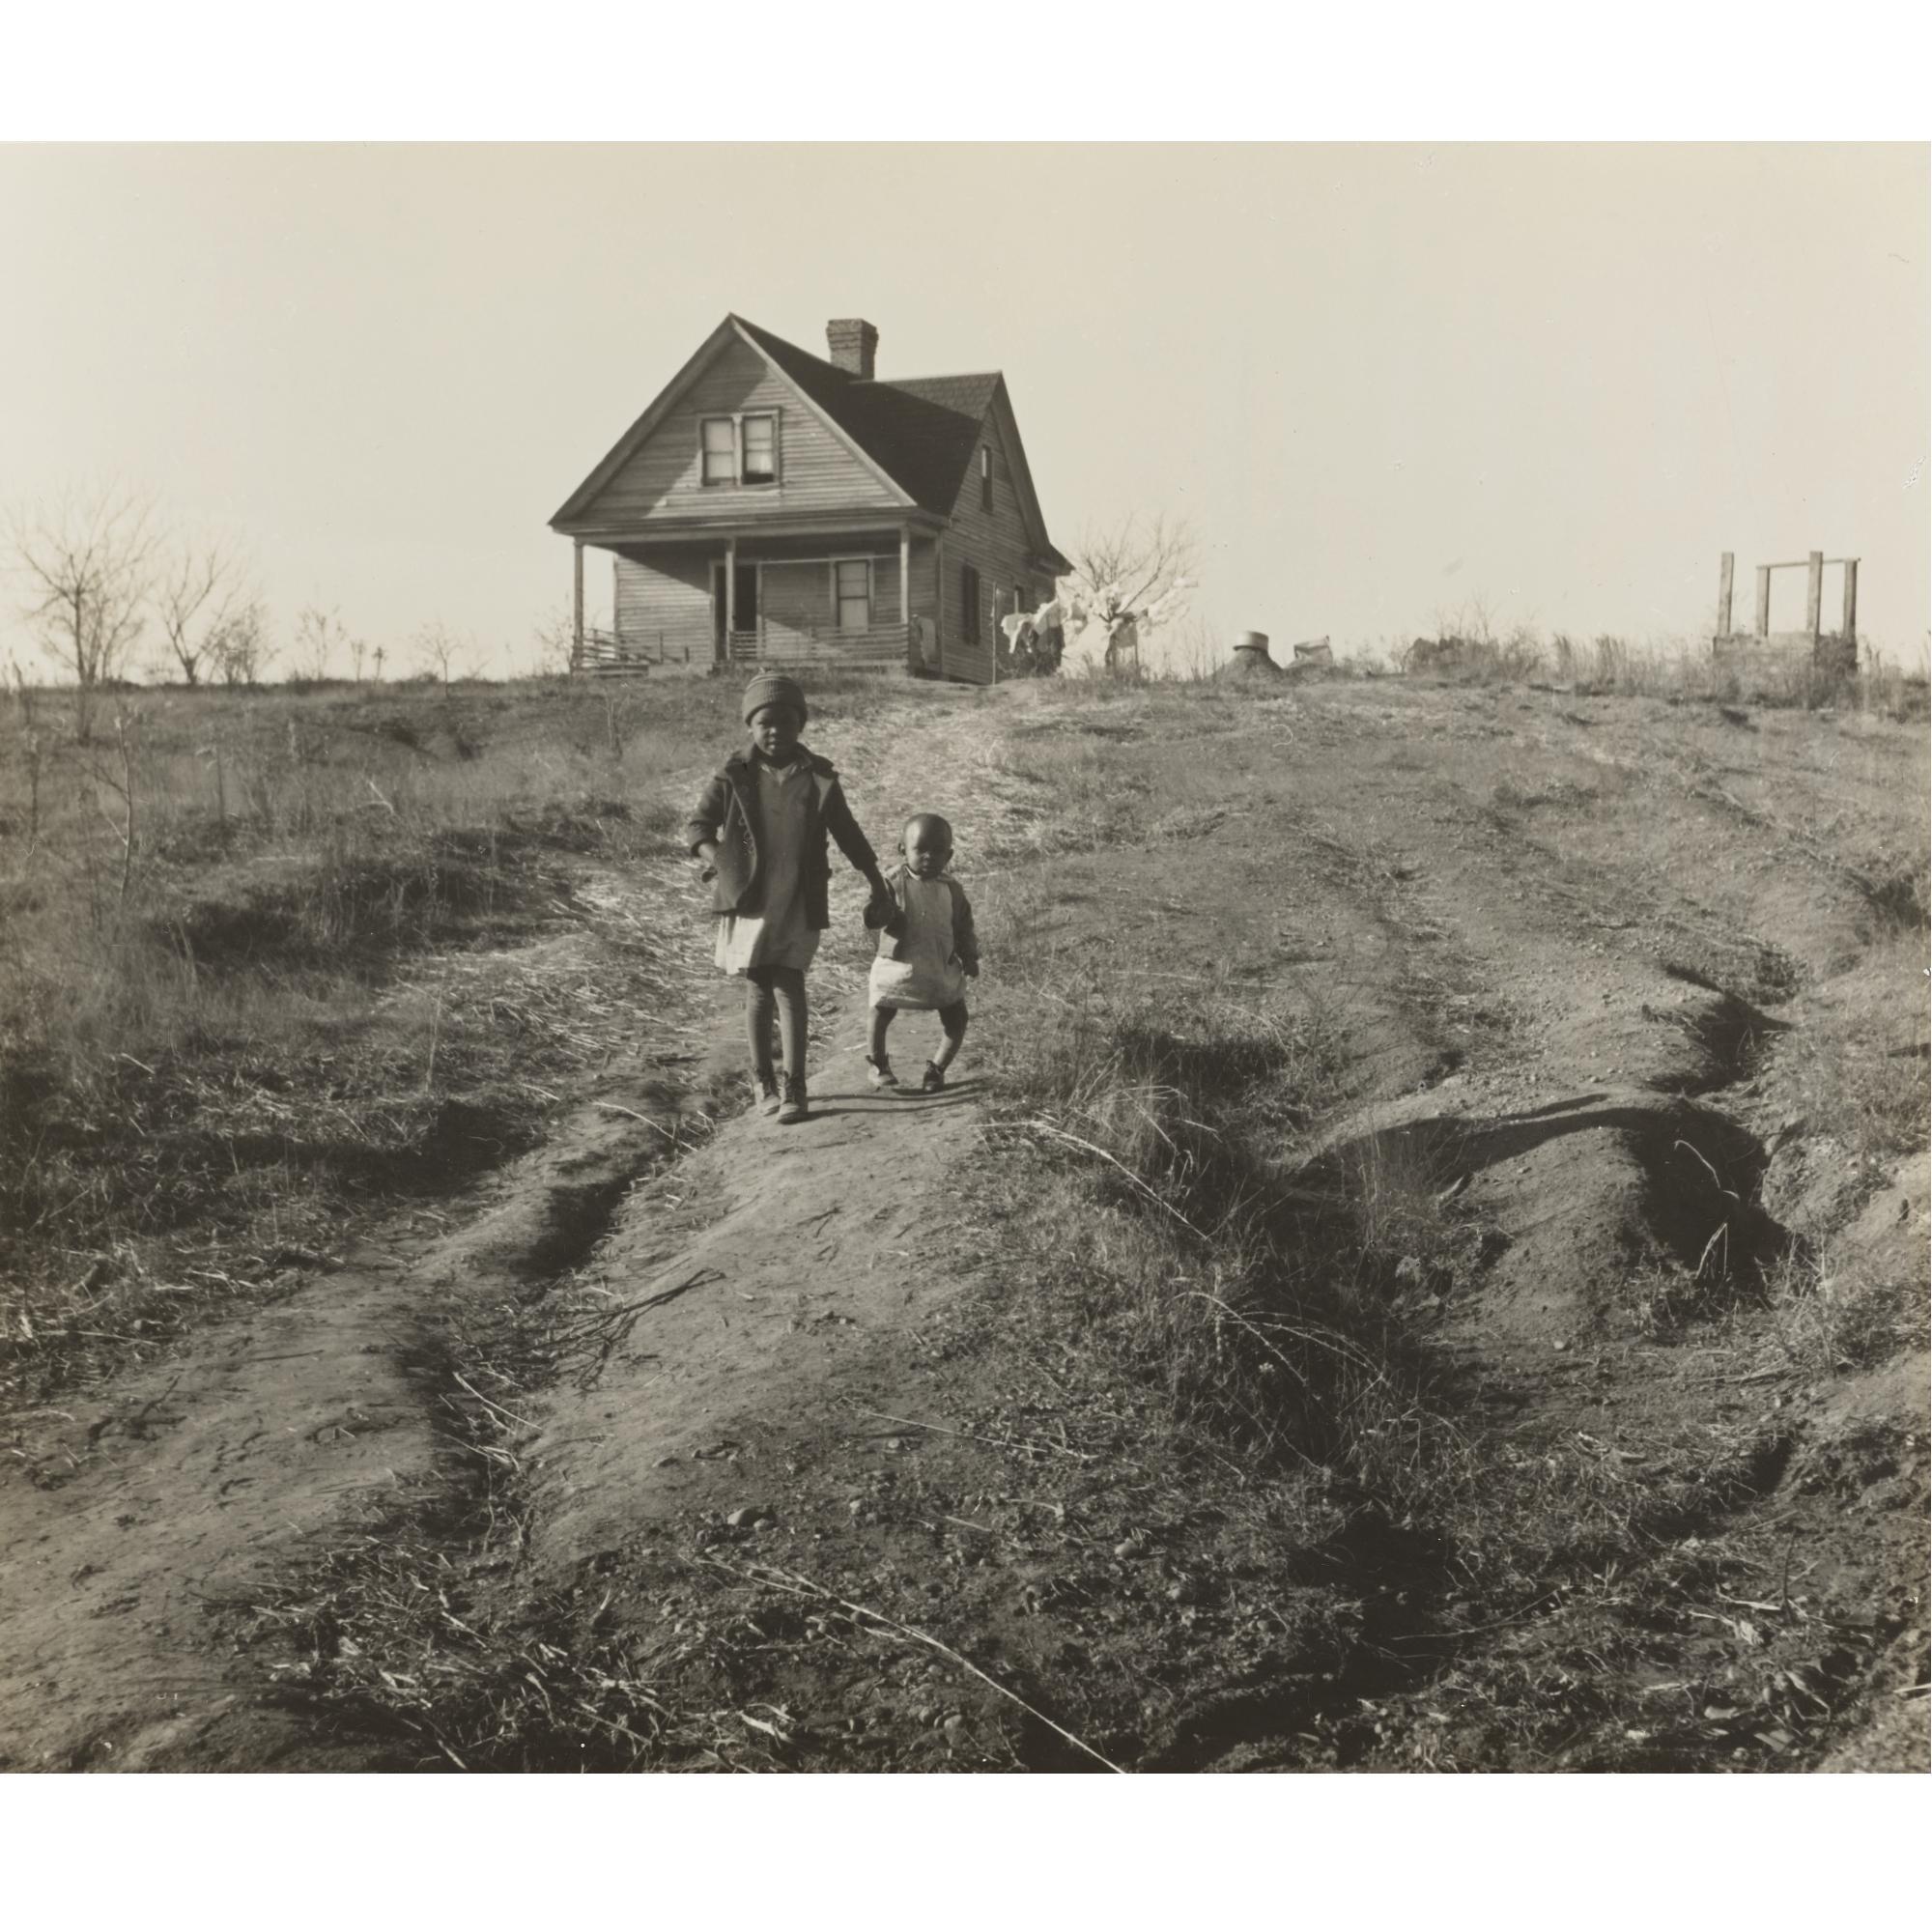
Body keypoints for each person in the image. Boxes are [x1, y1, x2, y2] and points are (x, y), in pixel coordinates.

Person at [685, 673, 892, 1125]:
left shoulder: (819, 778)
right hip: (751, 900)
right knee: (759, 984)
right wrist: (715, 858)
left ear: (801, 726)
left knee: (791, 983)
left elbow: (849, 834)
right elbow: (699, 826)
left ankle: (797, 1087)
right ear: (750, 727)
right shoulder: (734, 773)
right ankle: (764, 1084)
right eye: (765, 723)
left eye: (786, 722)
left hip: (799, 897)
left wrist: (876, 879)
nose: (775, 731)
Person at [865, 810, 980, 1094]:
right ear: (903, 849)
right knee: (881, 1009)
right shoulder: (891, 883)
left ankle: (937, 1069)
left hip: (939, 966)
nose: (929, 856)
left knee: (957, 1018)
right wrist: (880, 907)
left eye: (938, 851)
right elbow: (871, 919)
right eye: (921, 849)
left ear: (949, 855)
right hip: (899, 968)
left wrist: (970, 956)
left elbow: (964, 925)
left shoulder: (952, 888)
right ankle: (878, 1063)